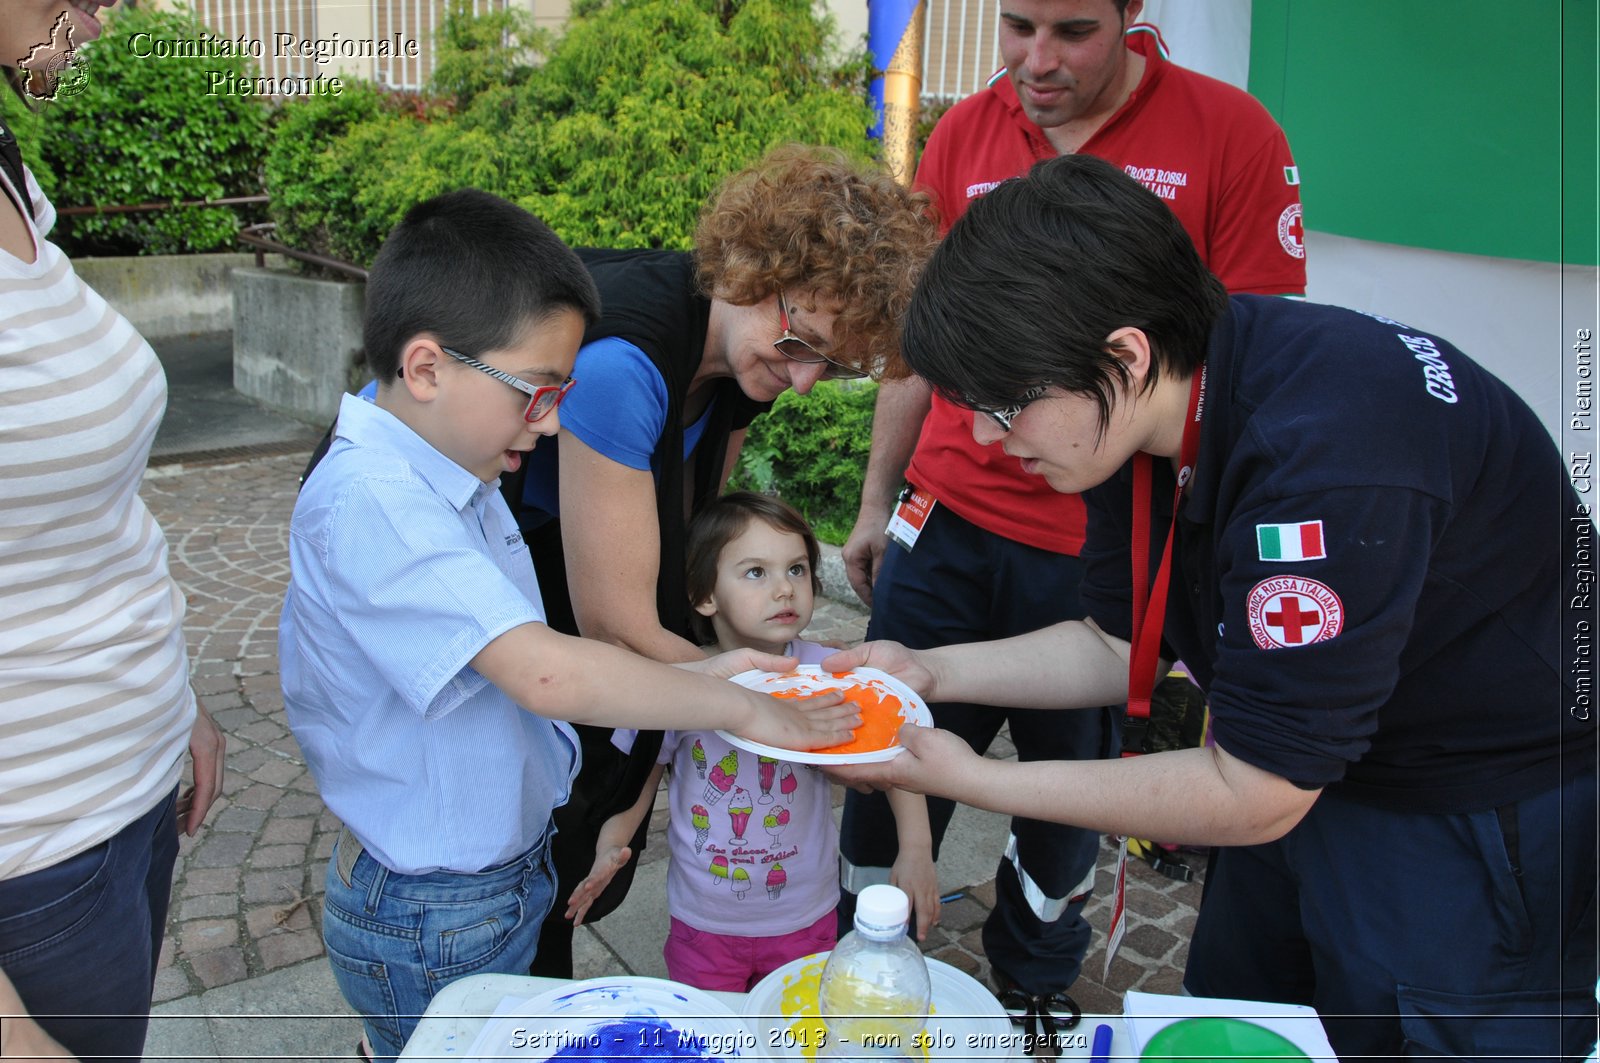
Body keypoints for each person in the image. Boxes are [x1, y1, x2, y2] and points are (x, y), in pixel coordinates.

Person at [826, 154, 1597, 1059]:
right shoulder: (1147, 406)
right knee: (1233, 1024)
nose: (990, 441)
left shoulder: (1327, 465)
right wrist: (929, 669)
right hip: (1308, 757)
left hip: (1467, 801)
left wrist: (969, 777)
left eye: (1005, 406)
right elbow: (1120, 641)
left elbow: (1255, 790)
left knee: (1399, 1033)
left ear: (1125, 353)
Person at [278, 189, 860, 1061]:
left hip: (487, 884)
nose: (552, 421)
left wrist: (729, 676)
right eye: (539, 392)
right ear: (429, 368)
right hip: (436, 911)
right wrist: (742, 706)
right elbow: (549, 667)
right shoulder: (379, 503)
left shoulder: (453, 471)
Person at [836, 0, 1307, 1007]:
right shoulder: (966, 129)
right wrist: (880, 501)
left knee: (1068, 809)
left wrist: (981, 780)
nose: (1034, 60)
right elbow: (922, 345)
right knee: (882, 748)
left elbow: (1252, 364)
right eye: (1015, 25)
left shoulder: (1231, 136)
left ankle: (1034, 991)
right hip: (948, 524)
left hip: (1102, 540)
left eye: (1072, 31)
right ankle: (867, 966)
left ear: (1134, 14)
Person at [503, 144, 938, 974]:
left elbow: (693, 547)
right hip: (521, 619)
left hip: (574, 637)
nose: (807, 382)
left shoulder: (742, 363)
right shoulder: (625, 366)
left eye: (833, 363)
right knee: (531, 892)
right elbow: (619, 626)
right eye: (801, 342)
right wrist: (782, 704)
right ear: (750, 267)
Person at [0, 6, 226, 1061]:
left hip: (117, 791)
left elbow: (76, 510)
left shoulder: (11, 171)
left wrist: (171, 695)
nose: (103, 12)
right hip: (31, 846)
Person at [565, 493, 939, 990]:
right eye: (756, 573)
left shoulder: (831, 673)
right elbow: (643, 775)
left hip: (807, 913)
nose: (785, 589)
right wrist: (612, 843)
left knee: (798, 1032)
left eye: (797, 569)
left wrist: (915, 848)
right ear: (705, 594)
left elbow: (893, 750)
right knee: (714, 1037)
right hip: (704, 920)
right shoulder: (683, 682)